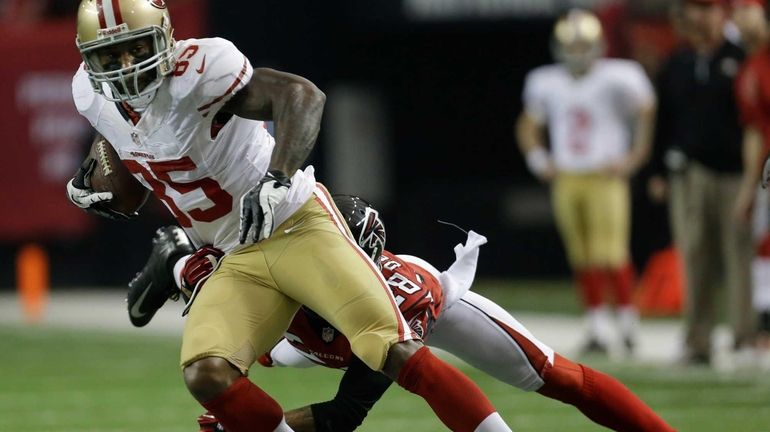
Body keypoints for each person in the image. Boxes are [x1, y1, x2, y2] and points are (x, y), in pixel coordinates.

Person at [64, 1, 512, 431]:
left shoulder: (201, 70)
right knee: (206, 374)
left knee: (390, 348)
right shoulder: (90, 93)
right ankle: (180, 261)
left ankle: (179, 263)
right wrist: (94, 186)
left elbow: (302, 95)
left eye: (136, 48)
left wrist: (277, 177)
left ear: (164, 37)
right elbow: (123, 166)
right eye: (109, 54)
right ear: (89, 59)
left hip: (293, 223)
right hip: (232, 251)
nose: (125, 64)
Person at [132, 195, 675, 431]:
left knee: (554, 374)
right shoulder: (276, 277)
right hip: (299, 338)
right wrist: (179, 264)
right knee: (211, 299)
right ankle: (173, 258)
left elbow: (344, 417)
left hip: (400, 323)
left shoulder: (400, 293)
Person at [515, 9, 657, 354]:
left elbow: (647, 110)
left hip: (604, 175)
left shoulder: (620, 75)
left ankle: (627, 323)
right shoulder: (545, 80)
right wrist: (539, 160)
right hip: (568, 176)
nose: (577, 52)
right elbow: (528, 125)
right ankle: (596, 326)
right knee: (581, 255)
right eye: (571, 45)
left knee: (611, 252)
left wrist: (635, 157)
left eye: (583, 44)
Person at [649, 0, 754, 366]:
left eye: (706, 8)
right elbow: (664, 120)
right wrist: (658, 171)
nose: (698, 16)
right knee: (694, 256)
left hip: (735, 173)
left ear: (721, 14)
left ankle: (744, 338)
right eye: (694, 8)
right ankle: (698, 340)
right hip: (689, 173)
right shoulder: (677, 62)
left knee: (738, 255)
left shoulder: (740, 58)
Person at [732, 0, 770, 356]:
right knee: (764, 248)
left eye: (745, 9)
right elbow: (755, 134)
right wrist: (748, 187)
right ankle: (765, 325)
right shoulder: (749, 69)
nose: (738, 18)